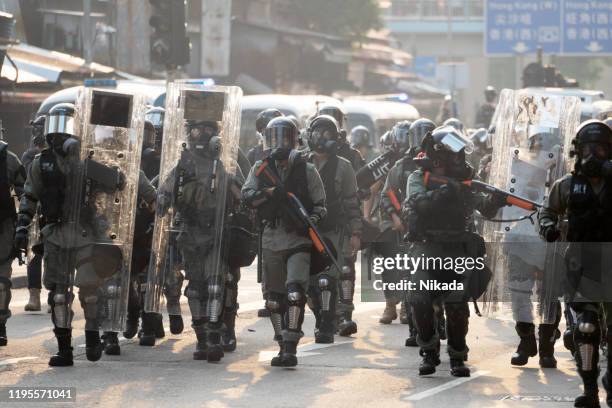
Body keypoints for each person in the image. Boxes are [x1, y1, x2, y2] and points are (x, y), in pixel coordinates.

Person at [15, 97, 149, 366]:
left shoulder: (88, 162)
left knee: (90, 291)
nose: (59, 133)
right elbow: (29, 196)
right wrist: (22, 228)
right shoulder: (40, 164)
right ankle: (64, 349)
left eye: (65, 126)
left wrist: (101, 163)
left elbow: (118, 182)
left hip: (86, 234)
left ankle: (91, 338)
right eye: (55, 126)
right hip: (54, 234)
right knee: (59, 295)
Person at [402, 125, 505, 377]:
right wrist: (445, 192)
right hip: (426, 246)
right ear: (440, 156)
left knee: (457, 306)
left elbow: (485, 208)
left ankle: (458, 356)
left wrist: (497, 199)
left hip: (458, 247)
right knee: (419, 300)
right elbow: (420, 204)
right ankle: (429, 351)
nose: (460, 160)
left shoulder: (466, 182)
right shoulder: (418, 177)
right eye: (455, 154)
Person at [156, 116, 244, 362]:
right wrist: (162, 200)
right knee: (195, 289)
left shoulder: (225, 165)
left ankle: (215, 335)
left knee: (216, 285)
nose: (200, 135)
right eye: (196, 130)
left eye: (206, 129)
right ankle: (202, 337)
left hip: (216, 234)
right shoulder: (182, 167)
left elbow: (242, 197)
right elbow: (164, 191)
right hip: (190, 234)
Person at [539, 120, 612, 407]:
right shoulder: (567, 185)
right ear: (577, 151)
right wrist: (548, 228)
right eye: (587, 148)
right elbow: (547, 212)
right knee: (585, 328)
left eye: (601, 148)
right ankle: (590, 389)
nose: (593, 154)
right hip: (581, 264)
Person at [242, 116, 326, 367]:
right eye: (275, 137)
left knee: (295, 292)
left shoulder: (306, 169)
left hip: (298, 239)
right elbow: (247, 195)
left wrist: (308, 220)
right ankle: (281, 342)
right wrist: (269, 193)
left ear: (295, 140)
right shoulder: (260, 168)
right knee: (273, 299)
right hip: (270, 239)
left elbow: (321, 206)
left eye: (285, 137)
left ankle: (290, 345)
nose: (280, 143)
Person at [379, 119, 436, 345]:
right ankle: (392, 304)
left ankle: (408, 309)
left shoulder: (441, 163)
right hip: (402, 226)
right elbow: (386, 194)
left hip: (430, 227)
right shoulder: (401, 166)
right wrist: (394, 217)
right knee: (394, 266)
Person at [305, 115, 362, 343]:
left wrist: (356, 234)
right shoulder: (301, 163)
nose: (322, 138)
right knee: (307, 285)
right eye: (319, 133)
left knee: (327, 280)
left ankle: (328, 325)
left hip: (333, 231)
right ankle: (322, 317)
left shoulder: (344, 166)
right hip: (306, 231)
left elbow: (351, 202)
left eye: (328, 134)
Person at [0, 134, 26, 346]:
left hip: (3, 228)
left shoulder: (9, 159)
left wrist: (24, 226)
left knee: (1, 282)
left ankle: (0, 325)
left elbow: (26, 193)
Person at [21, 116, 47, 312]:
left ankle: (58, 295)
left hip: (56, 211)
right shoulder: (30, 156)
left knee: (59, 255)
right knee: (34, 254)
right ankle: (34, 295)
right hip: (35, 212)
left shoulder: (62, 156)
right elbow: (27, 184)